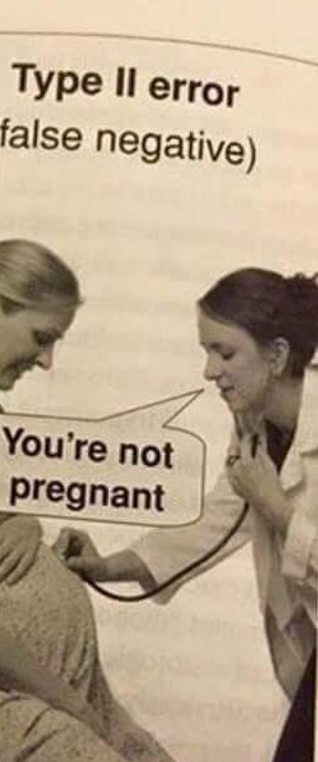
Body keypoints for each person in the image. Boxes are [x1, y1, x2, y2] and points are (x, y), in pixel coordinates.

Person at [0, 239, 174, 762]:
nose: (47, 360)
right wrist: (73, 709)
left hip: (53, 679)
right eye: (41, 337)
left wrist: (24, 523)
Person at [54, 268, 318, 761]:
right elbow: (219, 517)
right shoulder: (256, 422)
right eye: (206, 352)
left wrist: (278, 511)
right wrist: (109, 566)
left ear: (278, 355)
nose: (209, 372)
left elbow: (265, 504)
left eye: (225, 353)